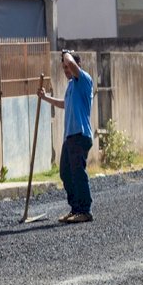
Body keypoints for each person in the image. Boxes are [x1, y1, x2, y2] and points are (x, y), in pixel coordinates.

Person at [38, 49, 94, 223]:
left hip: (80, 134)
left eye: (67, 67)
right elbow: (65, 104)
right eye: (63, 68)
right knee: (66, 173)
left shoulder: (84, 80)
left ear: (75, 66)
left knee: (77, 173)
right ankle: (75, 208)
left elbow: (71, 62)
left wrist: (66, 53)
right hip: (70, 136)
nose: (66, 70)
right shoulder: (71, 86)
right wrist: (45, 98)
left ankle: (85, 210)